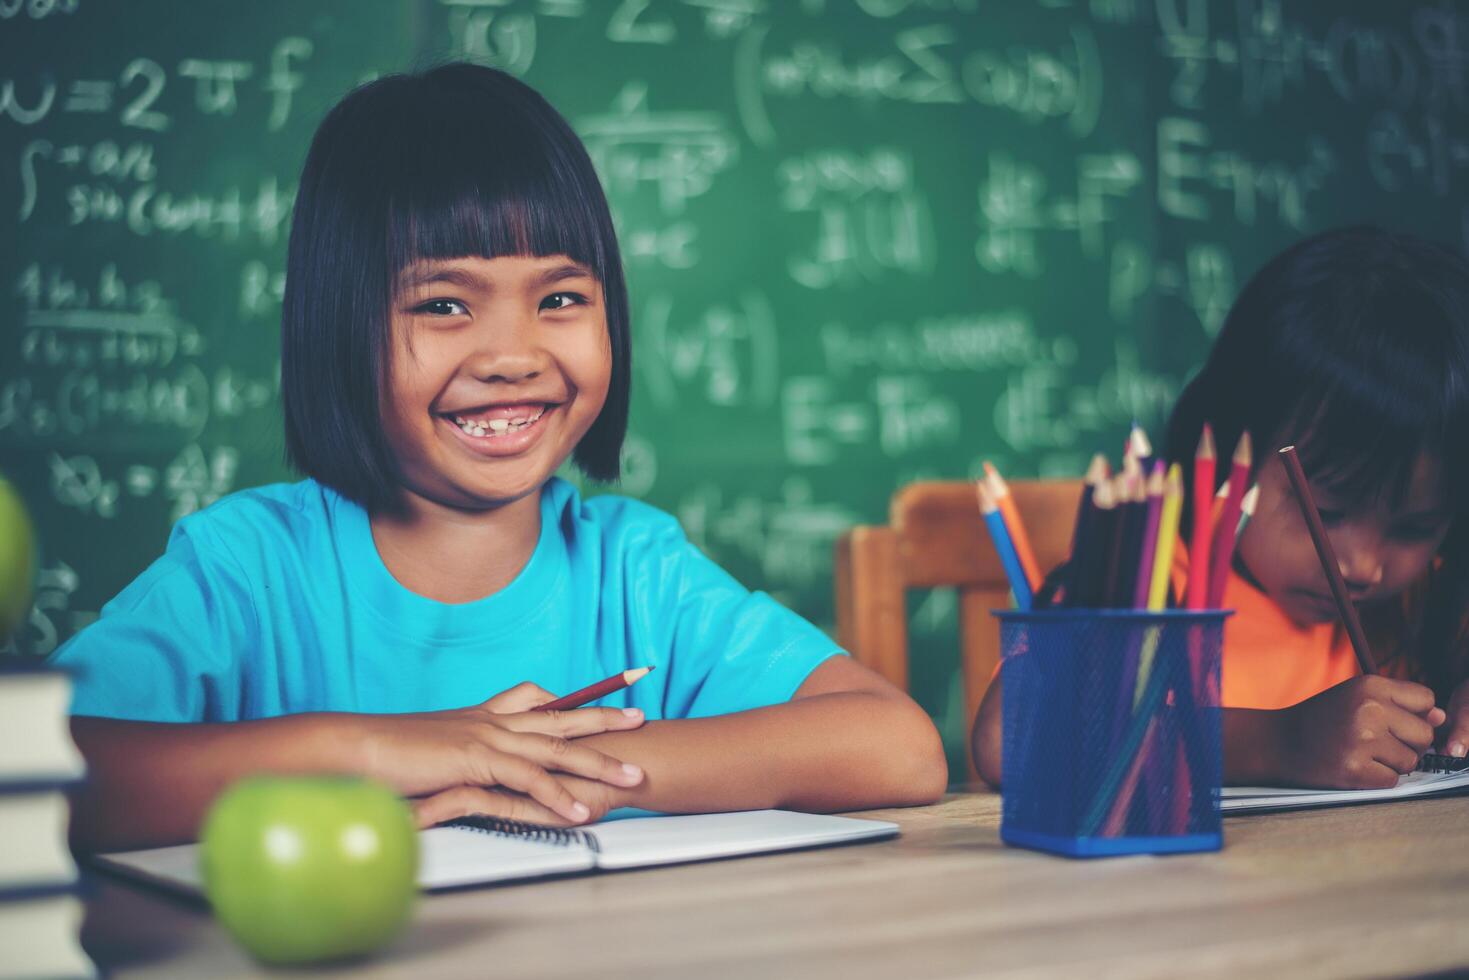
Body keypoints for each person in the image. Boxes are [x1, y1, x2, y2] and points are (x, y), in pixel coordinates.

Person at [54, 64, 946, 851]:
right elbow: (43, 777)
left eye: (559, 296)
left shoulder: (635, 568)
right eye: (443, 305)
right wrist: (378, 749)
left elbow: (897, 747)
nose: (513, 355)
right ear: (338, 326)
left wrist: (546, 765)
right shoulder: (245, 569)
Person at [972, 227, 1469, 789]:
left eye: (1415, 528)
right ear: (1237, 445)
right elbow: (1009, 740)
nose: (1363, 566)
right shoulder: (1142, 579)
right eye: (1326, 513)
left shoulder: (1420, 604)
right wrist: (1280, 742)